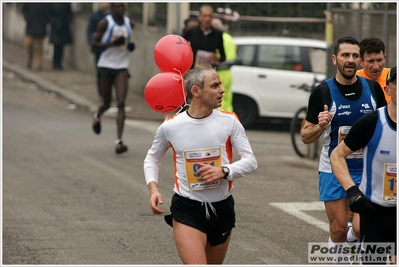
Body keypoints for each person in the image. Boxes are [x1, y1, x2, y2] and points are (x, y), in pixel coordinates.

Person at [143, 65, 258, 264]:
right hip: (187, 208)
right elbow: (152, 158)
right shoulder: (171, 126)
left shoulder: (229, 121)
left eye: (220, 85)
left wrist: (224, 171)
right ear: (195, 91)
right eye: (215, 85)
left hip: (222, 208)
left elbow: (251, 161)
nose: (222, 90)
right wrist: (153, 189)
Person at [300, 36, 387, 263]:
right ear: (335, 59)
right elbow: (305, 137)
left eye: (355, 56)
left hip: (366, 168)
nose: (350, 60)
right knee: (338, 228)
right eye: (345, 55)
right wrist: (320, 127)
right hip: (333, 168)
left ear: (360, 61)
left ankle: (353, 241)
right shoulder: (322, 93)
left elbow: (386, 124)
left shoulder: (372, 89)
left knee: (359, 228)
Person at [331, 66, 396, 265]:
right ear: (388, 90)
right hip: (376, 213)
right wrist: (352, 191)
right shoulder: (372, 122)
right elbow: (337, 155)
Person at [91, 3, 135, 154]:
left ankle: (119, 141)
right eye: (116, 6)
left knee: (121, 102)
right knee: (107, 103)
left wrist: (129, 46)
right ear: (112, 9)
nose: (120, 9)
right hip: (105, 65)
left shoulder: (130, 23)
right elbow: (93, 45)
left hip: (122, 66)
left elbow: (127, 42)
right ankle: (97, 115)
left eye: (122, 6)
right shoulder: (105, 23)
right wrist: (111, 44)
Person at [183, 5, 226, 69]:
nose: (207, 19)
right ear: (199, 17)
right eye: (205, 16)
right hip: (193, 71)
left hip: (209, 72)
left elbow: (223, 56)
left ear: (212, 17)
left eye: (209, 16)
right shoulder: (191, 32)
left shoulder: (218, 34)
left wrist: (217, 59)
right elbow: (182, 50)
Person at [86, 2, 111, 101]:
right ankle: (102, 95)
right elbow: (89, 31)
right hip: (99, 50)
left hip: (111, 50)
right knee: (100, 73)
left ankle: (109, 95)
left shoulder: (114, 16)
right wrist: (92, 43)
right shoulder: (95, 15)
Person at [211, 18, 237, 112]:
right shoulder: (229, 37)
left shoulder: (217, 38)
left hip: (219, 72)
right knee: (228, 99)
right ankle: (229, 117)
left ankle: (220, 119)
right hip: (228, 73)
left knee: (217, 98)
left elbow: (215, 57)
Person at [357, 36, 391, 103]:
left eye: (379, 60)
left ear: (384, 58)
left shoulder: (393, 77)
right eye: (371, 61)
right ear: (361, 62)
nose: (376, 67)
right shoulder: (354, 80)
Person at [22, 3, 51, 70]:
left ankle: (39, 64)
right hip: (31, 26)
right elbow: (24, 10)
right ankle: (29, 59)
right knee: (28, 44)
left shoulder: (45, 3)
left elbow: (49, 12)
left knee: (40, 47)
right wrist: (28, 19)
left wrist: (44, 21)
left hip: (41, 26)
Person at [49, 3, 73, 70]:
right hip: (55, 28)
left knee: (61, 47)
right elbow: (49, 15)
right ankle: (55, 63)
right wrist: (56, 23)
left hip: (63, 28)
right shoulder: (52, 4)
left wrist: (63, 23)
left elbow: (70, 16)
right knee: (56, 47)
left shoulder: (66, 4)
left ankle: (59, 63)